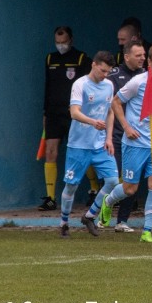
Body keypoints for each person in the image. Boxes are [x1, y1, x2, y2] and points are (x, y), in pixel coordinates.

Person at [100, 45, 152, 244]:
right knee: (130, 189)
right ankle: (108, 202)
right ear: (149, 63)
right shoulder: (138, 82)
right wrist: (126, 127)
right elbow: (116, 102)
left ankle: (147, 230)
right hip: (135, 143)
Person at [59, 51, 118, 238]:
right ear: (94, 65)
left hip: (100, 144)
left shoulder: (108, 85)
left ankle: (90, 215)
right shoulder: (80, 84)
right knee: (71, 186)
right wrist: (93, 122)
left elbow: (110, 112)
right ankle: (64, 223)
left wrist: (108, 138)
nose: (105, 75)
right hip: (79, 145)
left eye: (108, 72)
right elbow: (74, 112)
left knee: (113, 181)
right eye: (102, 71)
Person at [40, 26, 92, 211]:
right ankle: (51, 198)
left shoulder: (81, 58)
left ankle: (93, 189)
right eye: (58, 42)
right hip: (54, 113)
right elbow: (48, 85)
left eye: (64, 42)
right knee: (50, 151)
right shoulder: (50, 59)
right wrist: (45, 112)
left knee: (82, 152)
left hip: (74, 113)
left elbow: (88, 86)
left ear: (71, 40)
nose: (61, 45)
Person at [105, 39, 146, 233]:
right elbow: (111, 105)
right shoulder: (115, 76)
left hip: (137, 137)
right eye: (138, 56)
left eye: (144, 55)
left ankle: (122, 221)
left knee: (132, 179)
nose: (142, 59)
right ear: (126, 56)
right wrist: (112, 132)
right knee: (116, 179)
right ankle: (101, 208)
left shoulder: (146, 76)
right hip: (118, 136)